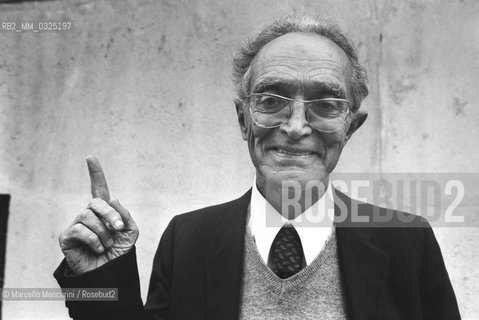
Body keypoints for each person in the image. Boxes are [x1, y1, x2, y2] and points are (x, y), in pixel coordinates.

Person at [54, 14, 461, 320]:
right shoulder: (188, 239)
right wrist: (101, 280)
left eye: (325, 104)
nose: (297, 127)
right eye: (271, 100)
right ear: (243, 118)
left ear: (350, 127)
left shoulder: (407, 242)